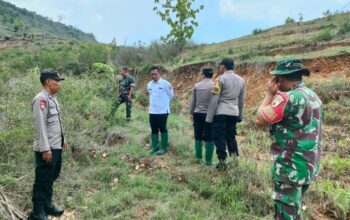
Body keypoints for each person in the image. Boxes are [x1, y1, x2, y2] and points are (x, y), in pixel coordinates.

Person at [256, 58, 323, 220]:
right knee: (294, 208)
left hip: (289, 168)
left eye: (278, 78)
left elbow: (260, 119)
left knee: (286, 213)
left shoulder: (288, 98)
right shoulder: (313, 96)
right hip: (307, 166)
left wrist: (270, 94)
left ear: (282, 78)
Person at [29, 71, 68, 220]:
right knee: (42, 179)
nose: (59, 84)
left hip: (56, 146)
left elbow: (56, 123)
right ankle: (37, 212)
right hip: (47, 149)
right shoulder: (40, 99)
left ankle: (47, 205)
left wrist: (63, 140)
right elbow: (41, 126)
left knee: (51, 177)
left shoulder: (52, 99)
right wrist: (45, 148)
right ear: (47, 82)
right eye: (57, 81)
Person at [206, 58, 245, 170]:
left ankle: (222, 161)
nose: (219, 67)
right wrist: (240, 115)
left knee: (219, 137)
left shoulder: (220, 79)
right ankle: (234, 160)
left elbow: (214, 98)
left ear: (223, 66)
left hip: (221, 112)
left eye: (220, 66)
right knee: (231, 137)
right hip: (233, 113)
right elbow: (241, 100)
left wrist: (209, 117)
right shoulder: (241, 80)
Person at [188, 68, 215, 165]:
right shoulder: (215, 86)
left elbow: (193, 101)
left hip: (197, 113)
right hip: (210, 114)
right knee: (210, 136)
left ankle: (198, 158)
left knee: (198, 135)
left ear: (203, 74)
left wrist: (190, 113)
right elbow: (216, 101)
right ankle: (208, 161)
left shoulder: (196, 86)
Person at [147, 66, 174, 155]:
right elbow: (151, 95)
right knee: (153, 129)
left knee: (162, 129)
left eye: (155, 74)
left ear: (159, 73)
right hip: (152, 111)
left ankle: (164, 147)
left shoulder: (166, 84)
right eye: (152, 74)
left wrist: (164, 103)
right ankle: (155, 146)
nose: (154, 76)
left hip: (162, 111)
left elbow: (171, 96)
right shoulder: (149, 84)